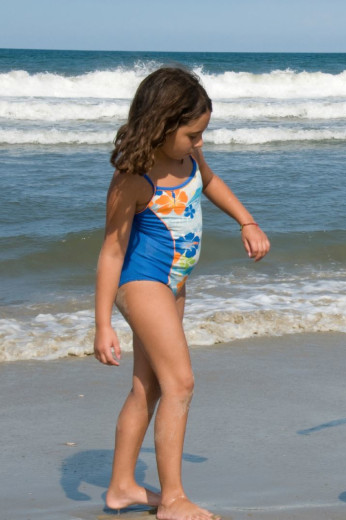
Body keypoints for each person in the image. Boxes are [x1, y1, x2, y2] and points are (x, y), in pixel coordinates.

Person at [94, 67, 270, 519]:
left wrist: (246, 221)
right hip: (142, 282)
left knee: (148, 387)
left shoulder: (188, 162)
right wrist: (102, 325)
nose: (199, 143)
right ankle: (172, 499)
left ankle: (121, 487)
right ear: (162, 125)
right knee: (181, 384)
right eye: (192, 134)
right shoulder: (134, 179)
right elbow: (112, 254)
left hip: (175, 284)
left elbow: (210, 184)